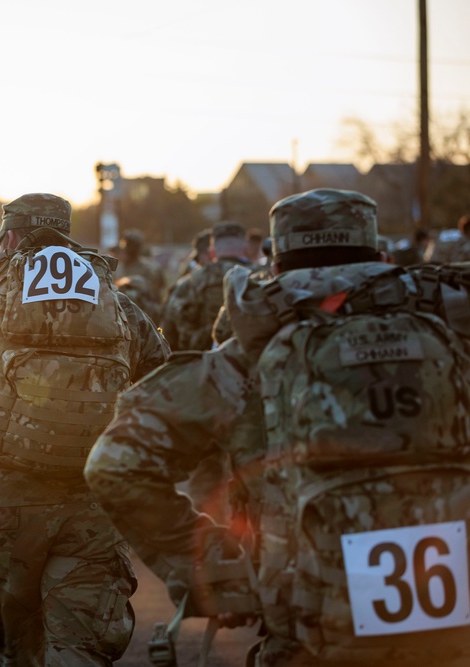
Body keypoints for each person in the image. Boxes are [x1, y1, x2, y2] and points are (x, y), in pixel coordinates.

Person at [85, 188, 470, 667]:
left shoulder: (254, 358)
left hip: (309, 633)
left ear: (278, 265)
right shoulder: (452, 335)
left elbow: (115, 462)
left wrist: (206, 562)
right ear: (380, 255)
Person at [0, 193, 170, 666]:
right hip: (90, 504)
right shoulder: (118, 304)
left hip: (2, 503)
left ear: (13, 237)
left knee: (11, 648)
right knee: (83, 645)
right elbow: (164, 391)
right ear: (64, 234)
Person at [159, 220, 254, 353]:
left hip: (201, 366)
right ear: (247, 249)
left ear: (212, 252)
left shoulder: (189, 282)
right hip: (256, 367)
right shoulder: (263, 278)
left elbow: (168, 335)